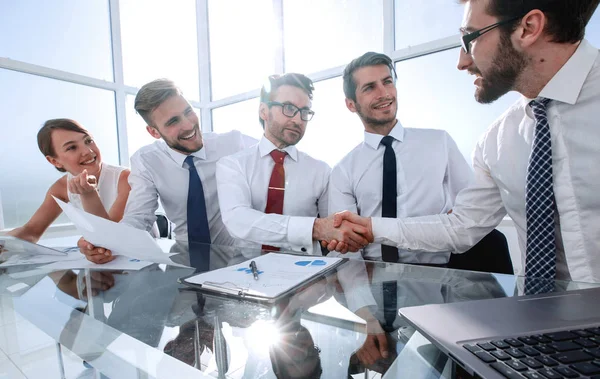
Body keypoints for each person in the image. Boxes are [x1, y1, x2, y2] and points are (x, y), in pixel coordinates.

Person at [331, 0, 600, 284]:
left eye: (469, 39)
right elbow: (462, 226)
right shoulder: (498, 141)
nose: (461, 62)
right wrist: (371, 228)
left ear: (528, 28)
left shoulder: (443, 142)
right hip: (539, 316)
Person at [79, 79, 256, 264]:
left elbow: (279, 159)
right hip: (185, 259)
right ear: (154, 132)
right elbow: (138, 217)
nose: (188, 125)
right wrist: (109, 244)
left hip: (242, 258)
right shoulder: (146, 161)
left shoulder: (234, 143)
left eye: (188, 112)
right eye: (173, 121)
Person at [327, 52, 472, 263]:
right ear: (351, 104)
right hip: (374, 276)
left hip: (443, 274)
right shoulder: (343, 170)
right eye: (369, 87)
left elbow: (472, 208)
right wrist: (362, 294)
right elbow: (349, 245)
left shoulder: (439, 142)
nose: (384, 93)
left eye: (387, 82)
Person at [216, 73, 370, 254]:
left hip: (307, 274)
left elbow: (336, 231)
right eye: (288, 108)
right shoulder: (233, 165)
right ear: (264, 111)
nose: (297, 120)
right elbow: (238, 220)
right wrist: (314, 228)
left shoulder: (321, 171)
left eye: (304, 112)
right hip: (247, 272)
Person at [9, 119, 130, 243]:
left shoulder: (125, 178)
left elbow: (111, 238)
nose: (88, 151)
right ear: (54, 161)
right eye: (72, 147)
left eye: (88, 141)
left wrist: (88, 194)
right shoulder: (60, 187)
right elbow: (31, 231)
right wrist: (4, 241)